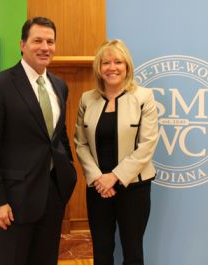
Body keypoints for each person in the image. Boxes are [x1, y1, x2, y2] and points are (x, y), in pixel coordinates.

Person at [0, 17, 77, 265]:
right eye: (37, 40)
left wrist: (68, 169)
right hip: (13, 200)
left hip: (52, 195)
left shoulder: (59, 86)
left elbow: (57, 134)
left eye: (50, 42)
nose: (45, 47)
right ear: (22, 44)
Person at [74, 39, 158, 265]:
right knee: (101, 251)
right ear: (98, 69)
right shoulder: (86, 99)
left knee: (132, 252)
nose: (112, 67)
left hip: (134, 186)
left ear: (127, 66)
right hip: (98, 187)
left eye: (118, 62)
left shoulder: (143, 97)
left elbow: (147, 144)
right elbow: (80, 143)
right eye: (106, 62)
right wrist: (98, 178)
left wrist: (115, 177)